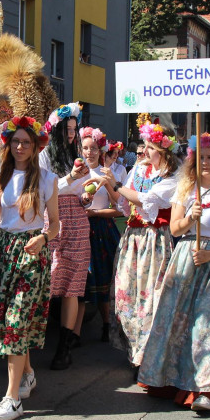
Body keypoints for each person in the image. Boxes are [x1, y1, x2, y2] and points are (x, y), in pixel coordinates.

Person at [138, 133, 210, 412]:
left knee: (209, 326)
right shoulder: (185, 190)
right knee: (177, 321)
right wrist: (191, 217)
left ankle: (206, 392)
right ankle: (170, 381)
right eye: (200, 158)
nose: (206, 163)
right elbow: (175, 229)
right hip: (186, 257)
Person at [0, 116, 58, 420]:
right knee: (12, 321)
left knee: (16, 321)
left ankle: (12, 399)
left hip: (30, 254)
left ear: (36, 146)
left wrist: (42, 237)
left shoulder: (48, 180)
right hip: (3, 254)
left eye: (26, 142)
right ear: (9, 144)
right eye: (16, 141)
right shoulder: (1, 176)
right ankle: (27, 375)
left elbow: (55, 226)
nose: (21, 147)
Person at [101, 121, 179, 370]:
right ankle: (133, 349)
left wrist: (116, 185)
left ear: (163, 150)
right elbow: (123, 203)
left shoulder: (173, 177)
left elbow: (146, 200)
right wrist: (109, 183)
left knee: (149, 301)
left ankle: (145, 357)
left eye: (149, 147)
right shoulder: (139, 169)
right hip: (132, 239)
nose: (143, 152)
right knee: (127, 297)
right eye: (144, 146)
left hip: (154, 239)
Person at [38, 103, 90, 370]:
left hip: (77, 217)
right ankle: (33, 340)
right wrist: (71, 177)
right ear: (56, 130)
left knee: (72, 283)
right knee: (48, 277)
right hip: (53, 216)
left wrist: (86, 194)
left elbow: (81, 187)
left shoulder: (75, 153)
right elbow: (46, 188)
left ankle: (64, 347)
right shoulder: (45, 155)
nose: (71, 134)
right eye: (67, 129)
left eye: (74, 129)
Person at [79, 127, 124, 342]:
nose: (89, 152)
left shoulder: (106, 174)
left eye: (94, 148)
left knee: (103, 279)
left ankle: (107, 325)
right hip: (80, 229)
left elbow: (119, 207)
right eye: (86, 148)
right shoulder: (75, 171)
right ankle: (73, 334)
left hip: (102, 229)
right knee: (81, 284)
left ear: (100, 150)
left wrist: (95, 211)